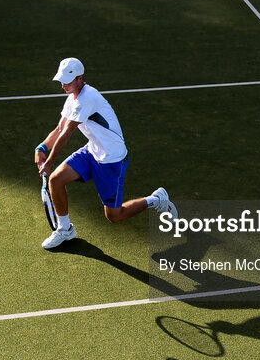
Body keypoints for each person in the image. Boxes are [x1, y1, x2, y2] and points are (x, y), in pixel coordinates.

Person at [35, 57, 177, 250]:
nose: (63, 85)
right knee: (56, 180)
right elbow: (59, 129)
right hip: (92, 150)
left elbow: (68, 132)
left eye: (67, 81)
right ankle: (65, 229)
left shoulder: (88, 98)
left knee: (114, 216)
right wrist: (42, 148)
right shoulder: (72, 99)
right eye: (61, 80)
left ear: (80, 78)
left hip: (112, 159)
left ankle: (156, 199)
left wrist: (49, 161)